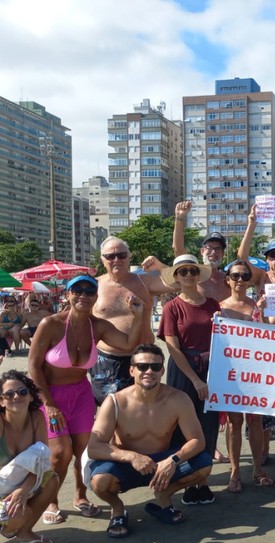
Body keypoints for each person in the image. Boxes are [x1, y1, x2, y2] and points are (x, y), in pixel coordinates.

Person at [27, 274, 144, 525]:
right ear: (67, 295)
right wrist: (48, 403)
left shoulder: (97, 326)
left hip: (81, 394)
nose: (83, 295)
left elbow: (127, 344)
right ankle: (51, 500)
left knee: (83, 452)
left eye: (89, 291)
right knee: (60, 454)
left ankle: (80, 497)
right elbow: (34, 366)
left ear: (96, 296)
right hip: (51, 394)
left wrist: (139, 315)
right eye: (76, 290)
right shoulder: (51, 324)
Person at [87, 344, 212, 538]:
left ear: (162, 370)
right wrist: (131, 456)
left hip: (163, 463)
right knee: (100, 481)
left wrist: (173, 460)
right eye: (142, 367)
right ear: (132, 370)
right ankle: (118, 509)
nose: (149, 372)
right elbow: (94, 447)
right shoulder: (115, 402)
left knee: (203, 465)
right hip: (127, 465)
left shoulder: (178, 399)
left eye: (155, 367)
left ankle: (163, 495)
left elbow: (197, 440)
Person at [157, 254, 221, 505]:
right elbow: (174, 349)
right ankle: (184, 479)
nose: (188, 276)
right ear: (176, 277)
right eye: (183, 272)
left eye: (192, 271)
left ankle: (202, 481)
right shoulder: (171, 307)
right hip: (184, 371)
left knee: (208, 424)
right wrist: (195, 380)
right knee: (182, 425)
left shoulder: (213, 304)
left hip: (212, 367)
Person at [90, 236, 175, 405]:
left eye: (122, 255)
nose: (116, 260)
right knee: (111, 413)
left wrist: (160, 266)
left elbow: (181, 283)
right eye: (110, 256)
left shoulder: (145, 281)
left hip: (144, 358)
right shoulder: (93, 285)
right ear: (102, 259)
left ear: (129, 257)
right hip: (108, 359)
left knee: (146, 412)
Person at [217, 259, 272, 491]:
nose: (240, 280)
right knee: (234, 423)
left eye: (245, 276)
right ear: (227, 279)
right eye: (236, 275)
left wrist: (266, 313)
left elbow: (270, 337)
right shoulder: (218, 308)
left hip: (254, 372)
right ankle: (235, 471)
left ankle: (258, 468)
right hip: (230, 372)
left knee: (256, 421)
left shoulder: (257, 307)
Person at [0, 370, 59, 543]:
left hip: (16, 485)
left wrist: (23, 491)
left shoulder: (37, 418)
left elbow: (41, 463)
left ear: (31, 396)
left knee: (51, 478)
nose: (16, 396)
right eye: (8, 394)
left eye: (22, 392)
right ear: (1, 401)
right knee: (16, 516)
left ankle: (25, 532)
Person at [142, 200, 230, 302]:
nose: (213, 252)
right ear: (202, 251)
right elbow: (178, 249)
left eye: (217, 249)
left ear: (223, 254)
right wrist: (179, 219)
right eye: (209, 248)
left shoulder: (231, 280)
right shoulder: (192, 277)